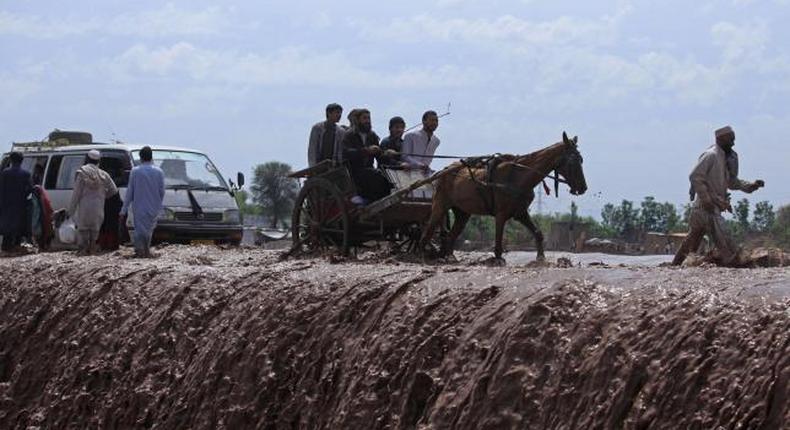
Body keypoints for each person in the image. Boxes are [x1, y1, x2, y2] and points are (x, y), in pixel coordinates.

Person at [672, 126, 764, 266]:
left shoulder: (726, 159)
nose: (733, 143)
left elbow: (732, 182)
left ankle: (675, 266)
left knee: (692, 240)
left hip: (706, 208)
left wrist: (750, 186)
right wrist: (707, 199)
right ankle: (736, 266)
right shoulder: (711, 155)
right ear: (720, 139)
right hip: (706, 208)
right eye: (731, 140)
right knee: (726, 241)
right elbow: (695, 176)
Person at [68, 150, 118, 255]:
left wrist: (70, 212)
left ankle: (83, 252)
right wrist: (103, 196)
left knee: (83, 233)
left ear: (87, 159)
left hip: (85, 210)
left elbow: (76, 195)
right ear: (98, 161)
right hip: (98, 209)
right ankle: (92, 250)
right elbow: (113, 191)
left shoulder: (81, 173)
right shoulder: (104, 175)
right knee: (94, 235)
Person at [121, 146, 165, 258]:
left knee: (139, 230)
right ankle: (146, 251)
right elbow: (162, 191)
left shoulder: (135, 171)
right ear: (151, 157)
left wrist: (123, 210)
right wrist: (158, 204)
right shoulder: (159, 172)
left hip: (139, 206)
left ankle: (140, 252)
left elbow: (130, 192)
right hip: (154, 207)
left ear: (140, 157)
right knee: (149, 230)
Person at [341, 109, 393, 204]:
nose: (367, 121)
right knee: (375, 176)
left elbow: (379, 156)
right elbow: (346, 153)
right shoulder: (349, 135)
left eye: (369, 118)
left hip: (369, 169)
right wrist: (366, 151)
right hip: (353, 171)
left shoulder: (372, 135)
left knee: (389, 177)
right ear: (357, 120)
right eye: (364, 118)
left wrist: (386, 154)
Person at [0, 152, 33, 252]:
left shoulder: (5, 173)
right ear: (22, 161)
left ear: (10, 160)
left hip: (5, 204)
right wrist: (23, 196)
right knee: (19, 227)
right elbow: (30, 188)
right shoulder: (26, 174)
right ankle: (16, 246)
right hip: (20, 204)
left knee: (7, 227)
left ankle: (6, 247)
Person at [30, 164, 54, 251]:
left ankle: (42, 246)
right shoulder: (42, 193)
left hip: (43, 221)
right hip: (45, 219)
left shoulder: (37, 192)